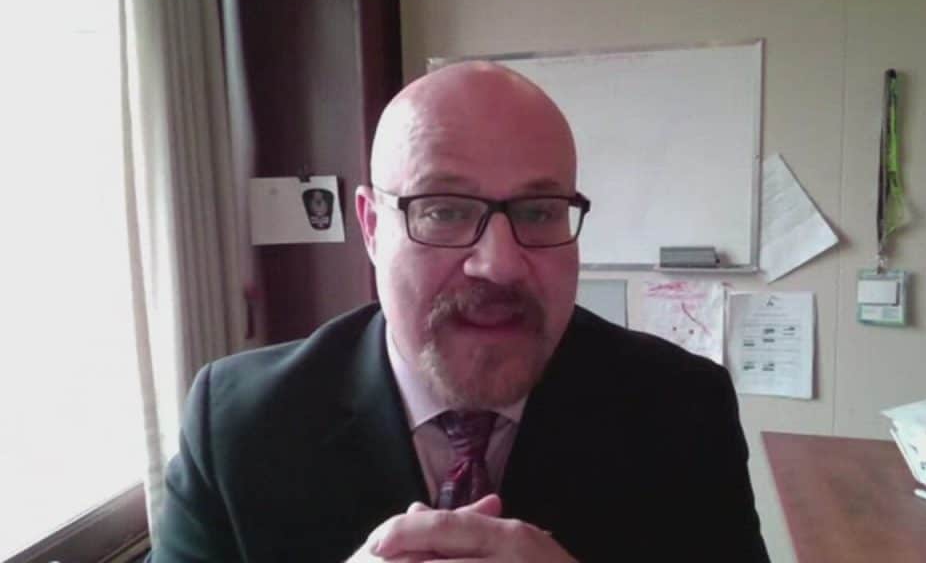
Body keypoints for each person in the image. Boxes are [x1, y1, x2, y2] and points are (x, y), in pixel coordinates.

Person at [149, 62, 770, 562]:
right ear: (370, 227)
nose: (498, 265)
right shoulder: (239, 423)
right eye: (443, 210)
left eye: (539, 211)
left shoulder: (681, 410)